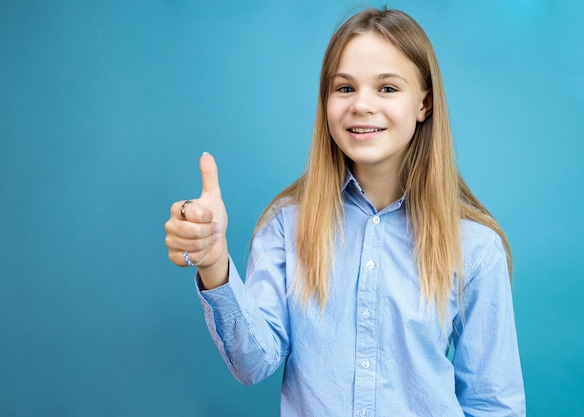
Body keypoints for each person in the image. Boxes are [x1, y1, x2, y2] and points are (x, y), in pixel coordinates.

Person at [164, 7, 525, 417]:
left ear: (424, 103)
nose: (362, 105)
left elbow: (494, 404)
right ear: (327, 101)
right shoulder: (286, 224)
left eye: (387, 88)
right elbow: (253, 362)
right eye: (345, 88)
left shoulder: (476, 246)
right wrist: (214, 265)